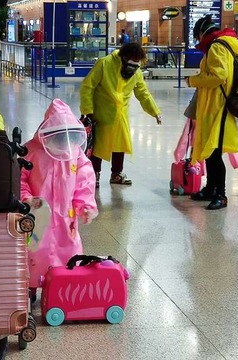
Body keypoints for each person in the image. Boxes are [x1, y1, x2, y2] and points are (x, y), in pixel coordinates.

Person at [21, 99, 98, 301]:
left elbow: (84, 181)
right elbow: (20, 178)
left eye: (67, 136)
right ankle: (31, 286)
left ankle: (63, 286)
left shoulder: (75, 153)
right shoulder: (31, 151)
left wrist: (85, 206)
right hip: (38, 214)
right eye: (58, 137)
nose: (63, 142)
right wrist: (26, 198)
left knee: (67, 250)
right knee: (35, 251)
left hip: (66, 214)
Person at [80, 43, 162, 187]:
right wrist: (88, 111)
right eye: (131, 64)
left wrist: (154, 111)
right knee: (98, 146)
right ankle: (95, 175)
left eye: (136, 65)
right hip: (101, 114)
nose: (133, 68)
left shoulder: (136, 72)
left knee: (120, 144)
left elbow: (142, 93)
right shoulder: (104, 64)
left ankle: (117, 174)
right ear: (123, 58)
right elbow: (88, 86)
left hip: (120, 115)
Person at [184, 14, 238, 210]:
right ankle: (210, 188)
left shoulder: (217, 47)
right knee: (210, 152)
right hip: (213, 107)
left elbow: (218, 76)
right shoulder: (223, 45)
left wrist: (194, 80)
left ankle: (221, 194)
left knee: (215, 153)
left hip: (219, 108)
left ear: (202, 33)